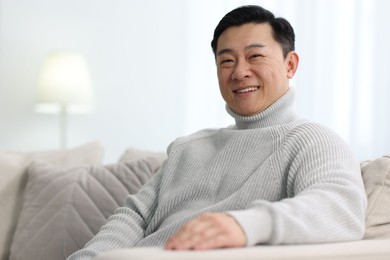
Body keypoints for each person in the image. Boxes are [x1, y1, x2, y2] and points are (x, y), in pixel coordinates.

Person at [68, 5, 367, 259]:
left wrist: (244, 226)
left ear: (290, 64)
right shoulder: (187, 147)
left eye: (255, 56)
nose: (239, 72)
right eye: (226, 61)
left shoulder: (312, 139)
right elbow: (134, 216)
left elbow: (340, 208)